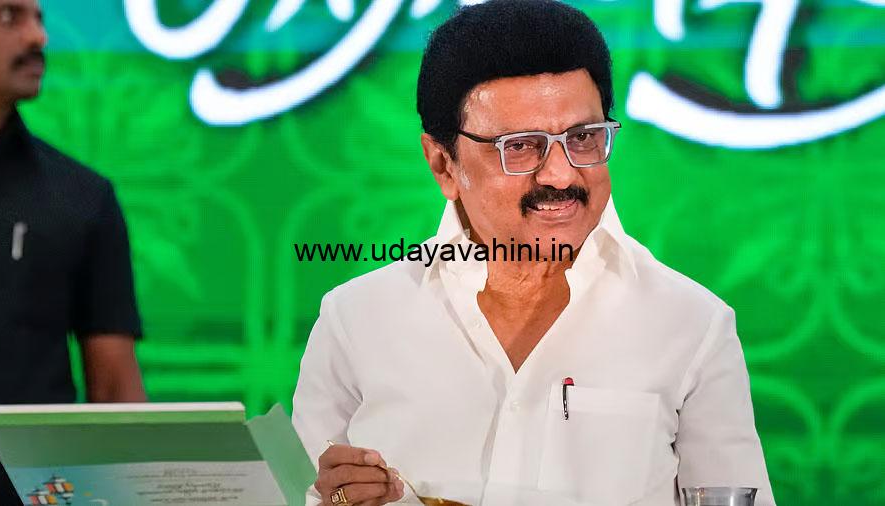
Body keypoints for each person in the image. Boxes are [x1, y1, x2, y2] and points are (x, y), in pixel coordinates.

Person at [292, 0, 776, 505]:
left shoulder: (692, 326)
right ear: (443, 164)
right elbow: (296, 492)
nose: (561, 175)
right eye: (520, 146)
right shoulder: (357, 319)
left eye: (583, 138)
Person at [0, 1, 146, 503]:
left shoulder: (80, 197)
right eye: (8, 17)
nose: (37, 37)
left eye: (40, 18)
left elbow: (116, 391)